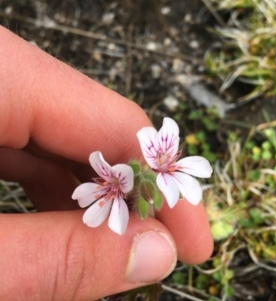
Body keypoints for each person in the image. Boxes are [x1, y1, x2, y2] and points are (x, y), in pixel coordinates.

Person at [0, 26, 213, 301]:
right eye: (160, 159)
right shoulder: (132, 175)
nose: (164, 162)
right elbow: (124, 175)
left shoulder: (156, 175)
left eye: (166, 160)